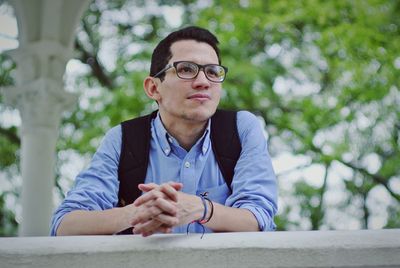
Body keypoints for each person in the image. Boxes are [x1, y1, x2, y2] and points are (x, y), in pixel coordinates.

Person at [51, 26, 277, 237]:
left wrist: (201, 209)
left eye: (212, 72)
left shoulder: (242, 129)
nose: (203, 82)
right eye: (186, 69)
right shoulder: (122, 140)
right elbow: (65, 225)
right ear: (153, 88)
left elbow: (259, 219)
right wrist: (136, 212)